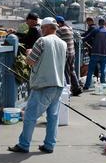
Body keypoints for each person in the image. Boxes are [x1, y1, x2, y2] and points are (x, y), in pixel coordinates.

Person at [8, 17, 67, 154]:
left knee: (30, 115)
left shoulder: (41, 41)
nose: (41, 30)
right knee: (53, 116)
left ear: (46, 27)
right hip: (58, 84)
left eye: (42, 28)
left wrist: (28, 53)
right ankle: (49, 145)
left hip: (43, 84)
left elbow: (30, 61)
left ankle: (23, 144)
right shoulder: (62, 43)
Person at [82, 19, 106, 90]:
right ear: (105, 24)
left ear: (98, 24)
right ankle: (103, 86)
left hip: (95, 53)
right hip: (105, 54)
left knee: (90, 70)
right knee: (103, 70)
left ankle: (87, 86)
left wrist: (82, 40)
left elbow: (86, 38)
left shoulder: (96, 30)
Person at [56, 16, 83, 96]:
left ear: (59, 23)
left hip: (66, 54)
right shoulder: (70, 28)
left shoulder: (60, 30)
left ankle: (67, 90)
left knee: (66, 72)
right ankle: (76, 87)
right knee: (72, 70)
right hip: (72, 53)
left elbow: (54, 39)